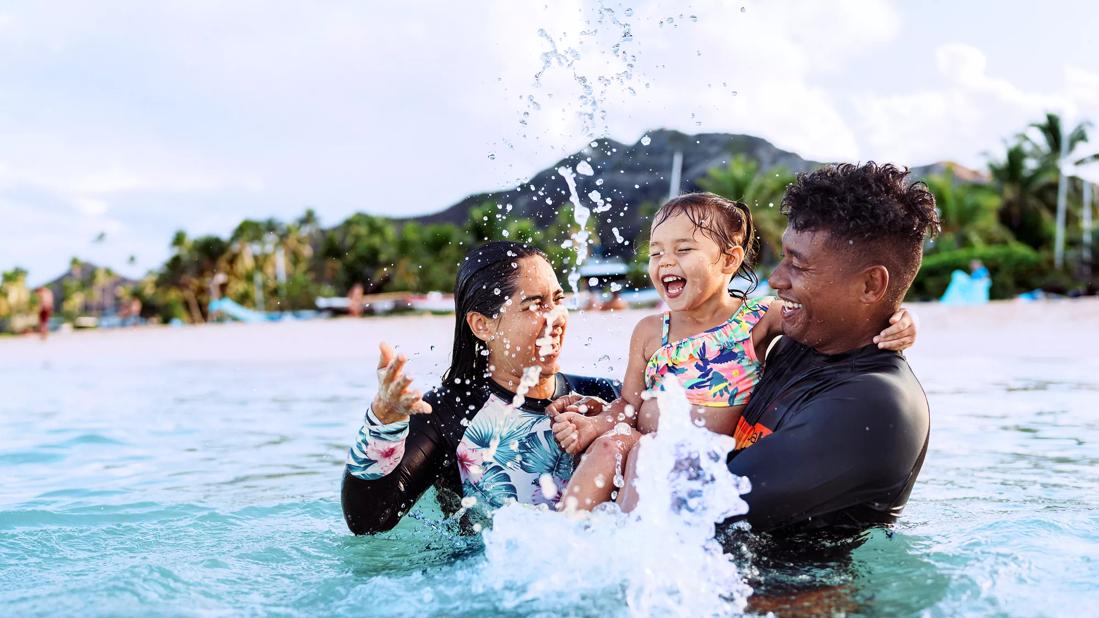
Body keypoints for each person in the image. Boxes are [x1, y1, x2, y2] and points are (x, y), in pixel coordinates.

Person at [549, 193, 917, 512]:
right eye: (656, 252)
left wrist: (900, 319)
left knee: (647, 458)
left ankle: (629, 550)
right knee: (610, 446)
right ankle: (567, 534)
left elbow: (839, 313)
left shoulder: (756, 317)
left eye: (683, 249)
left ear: (729, 260)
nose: (665, 262)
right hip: (645, 439)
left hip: (705, 457)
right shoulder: (649, 332)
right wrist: (595, 425)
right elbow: (628, 405)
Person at [340, 242, 619, 534]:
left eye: (558, 300)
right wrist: (383, 423)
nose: (556, 317)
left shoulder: (605, 398)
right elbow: (367, 521)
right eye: (535, 305)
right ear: (482, 325)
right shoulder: (448, 414)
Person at [723, 162, 939, 534]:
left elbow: (701, 503)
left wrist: (622, 441)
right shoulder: (800, 345)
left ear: (871, 285)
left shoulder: (875, 405)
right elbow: (690, 390)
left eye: (798, 265)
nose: (775, 279)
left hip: (787, 592)